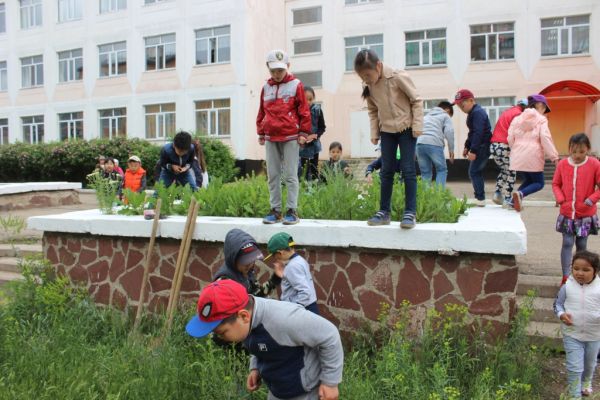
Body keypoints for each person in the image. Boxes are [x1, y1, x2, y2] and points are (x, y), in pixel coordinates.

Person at [186, 279, 343, 400]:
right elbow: (260, 341)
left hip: (306, 392)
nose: (219, 338)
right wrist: (255, 368)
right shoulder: (247, 320)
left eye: (222, 333)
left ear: (243, 316)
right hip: (278, 391)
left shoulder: (285, 319)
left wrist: (330, 383)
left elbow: (330, 335)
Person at [354, 49, 423, 229]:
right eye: (362, 77)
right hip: (387, 131)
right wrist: (374, 133)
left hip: (407, 129)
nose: (366, 80)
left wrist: (417, 125)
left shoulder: (398, 77)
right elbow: (372, 110)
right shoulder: (369, 86)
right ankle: (384, 212)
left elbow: (416, 100)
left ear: (378, 66)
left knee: (408, 169)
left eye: (368, 75)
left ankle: (410, 212)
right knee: (386, 171)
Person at [257, 49, 311, 225]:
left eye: (280, 70)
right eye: (273, 70)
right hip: (271, 137)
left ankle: (292, 211)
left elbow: (304, 111)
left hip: (291, 136)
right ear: (268, 68)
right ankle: (275, 210)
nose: (277, 74)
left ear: (287, 66)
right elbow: (262, 111)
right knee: (273, 175)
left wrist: (303, 133)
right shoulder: (266, 88)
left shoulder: (296, 85)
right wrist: (261, 131)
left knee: (290, 175)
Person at [552, 133, 600, 285]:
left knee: (582, 245)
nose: (577, 155)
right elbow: (556, 184)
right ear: (569, 149)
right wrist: (560, 198)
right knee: (567, 243)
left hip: (585, 215)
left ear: (588, 149)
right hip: (567, 213)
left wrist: (592, 199)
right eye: (574, 151)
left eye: (582, 151)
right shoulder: (562, 164)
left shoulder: (594, 164)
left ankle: (580, 274)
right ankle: (566, 276)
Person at [554, 250, 600, 398]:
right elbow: (557, 304)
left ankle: (586, 382)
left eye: (586, 270)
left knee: (589, 364)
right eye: (576, 268)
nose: (580, 273)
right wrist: (561, 314)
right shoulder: (567, 287)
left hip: (594, 335)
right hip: (572, 334)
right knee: (574, 366)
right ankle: (574, 395)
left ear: (595, 271)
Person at [508, 94, 559, 212]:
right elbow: (545, 138)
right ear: (540, 105)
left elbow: (510, 137)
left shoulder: (517, 119)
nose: (544, 112)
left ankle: (513, 201)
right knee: (539, 183)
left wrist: (515, 150)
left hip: (518, 155)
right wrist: (554, 156)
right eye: (544, 108)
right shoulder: (542, 120)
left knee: (529, 180)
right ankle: (520, 194)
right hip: (533, 155)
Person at [213, 228, 281, 298]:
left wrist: (275, 278)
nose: (250, 264)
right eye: (245, 261)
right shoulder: (224, 283)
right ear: (233, 259)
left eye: (252, 259)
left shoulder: (247, 272)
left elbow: (257, 294)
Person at [264, 232, 319, 315]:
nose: (275, 258)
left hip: (303, 310)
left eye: (274, 255)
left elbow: (305, 292)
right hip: (310, 306)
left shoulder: (292, 267)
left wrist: (293, 311)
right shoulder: (300, 260)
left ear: (280, 253)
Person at [453, 89, 492, 207]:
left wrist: (473, 150)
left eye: (462, 105)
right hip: (480, 145)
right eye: (459, 106)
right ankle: (479, 197)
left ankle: (480, 198)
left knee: (474, 171)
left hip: (482, 146)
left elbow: (478, 133)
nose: (461, 108)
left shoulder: (477, 113)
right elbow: (472, 132)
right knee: (475, 171)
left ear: (471, 100)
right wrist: (467, 146)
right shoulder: (473, 113)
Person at [490, 99, 527, 207]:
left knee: (505, 170)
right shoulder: (519, 114)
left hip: (494, 146)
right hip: (504, 145)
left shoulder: (507, 112)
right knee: (512, 172)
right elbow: (517, 132)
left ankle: (497, 194)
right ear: (525, 107)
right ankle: (507, 199)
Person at [416, 101, 455, 187]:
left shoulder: (425, 117)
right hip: (434, 144)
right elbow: (449, 132)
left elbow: (417, 131)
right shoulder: (445, 116)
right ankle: (438, 194)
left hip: (419, 144)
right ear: (447, 110)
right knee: (442, 170)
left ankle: (426, 195)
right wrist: (451, 150)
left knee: (425, 173)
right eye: (450, 116)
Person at [299, 86, 326, 181]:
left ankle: (315, 186)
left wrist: (316, 135)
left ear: (313, 98)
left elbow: (322, 127)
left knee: (314, 168)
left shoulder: (317, 110)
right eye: (305, 99)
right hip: (302, 146)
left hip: (314, 145)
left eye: (310, 99)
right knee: (304, 169)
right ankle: (304, 186)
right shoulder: (298, 111)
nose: (308, 102)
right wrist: (301, 137)